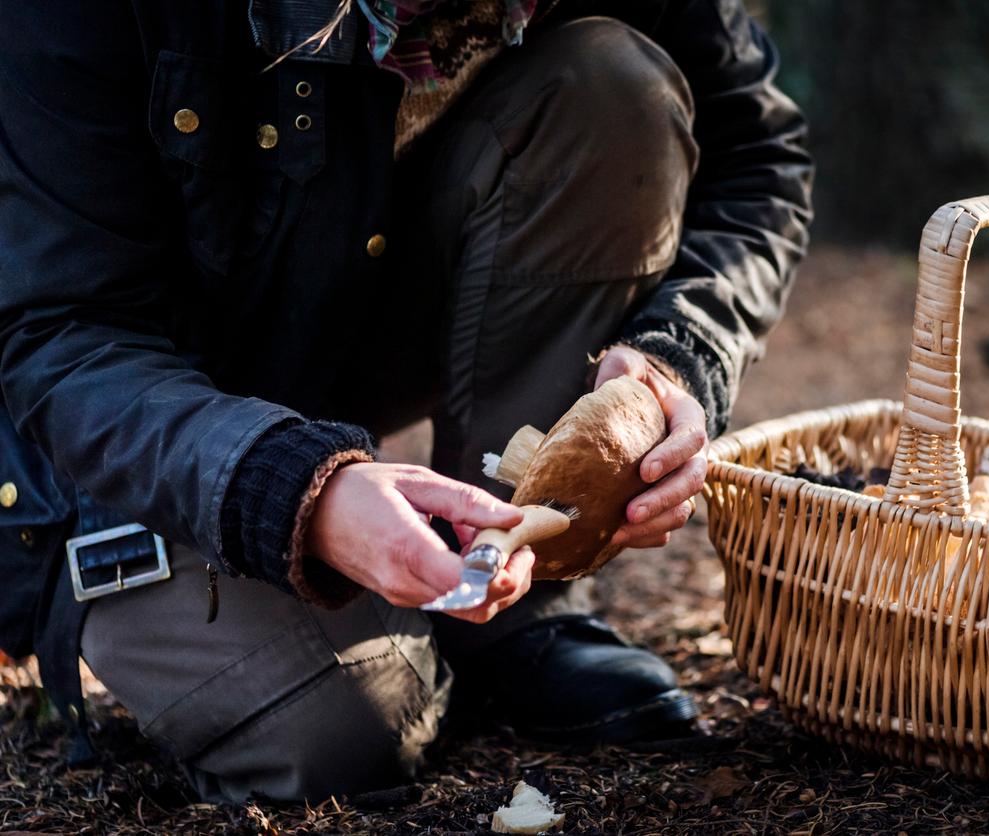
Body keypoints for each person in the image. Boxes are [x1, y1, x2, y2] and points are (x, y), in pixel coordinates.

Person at [0, 0, 812, 802]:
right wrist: (292, 489)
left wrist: (681, 353)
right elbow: (64, 334)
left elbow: (755, 157)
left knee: (613, 86)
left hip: (331, 313)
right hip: (105, 433)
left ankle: (513, 603)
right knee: (347, 728)